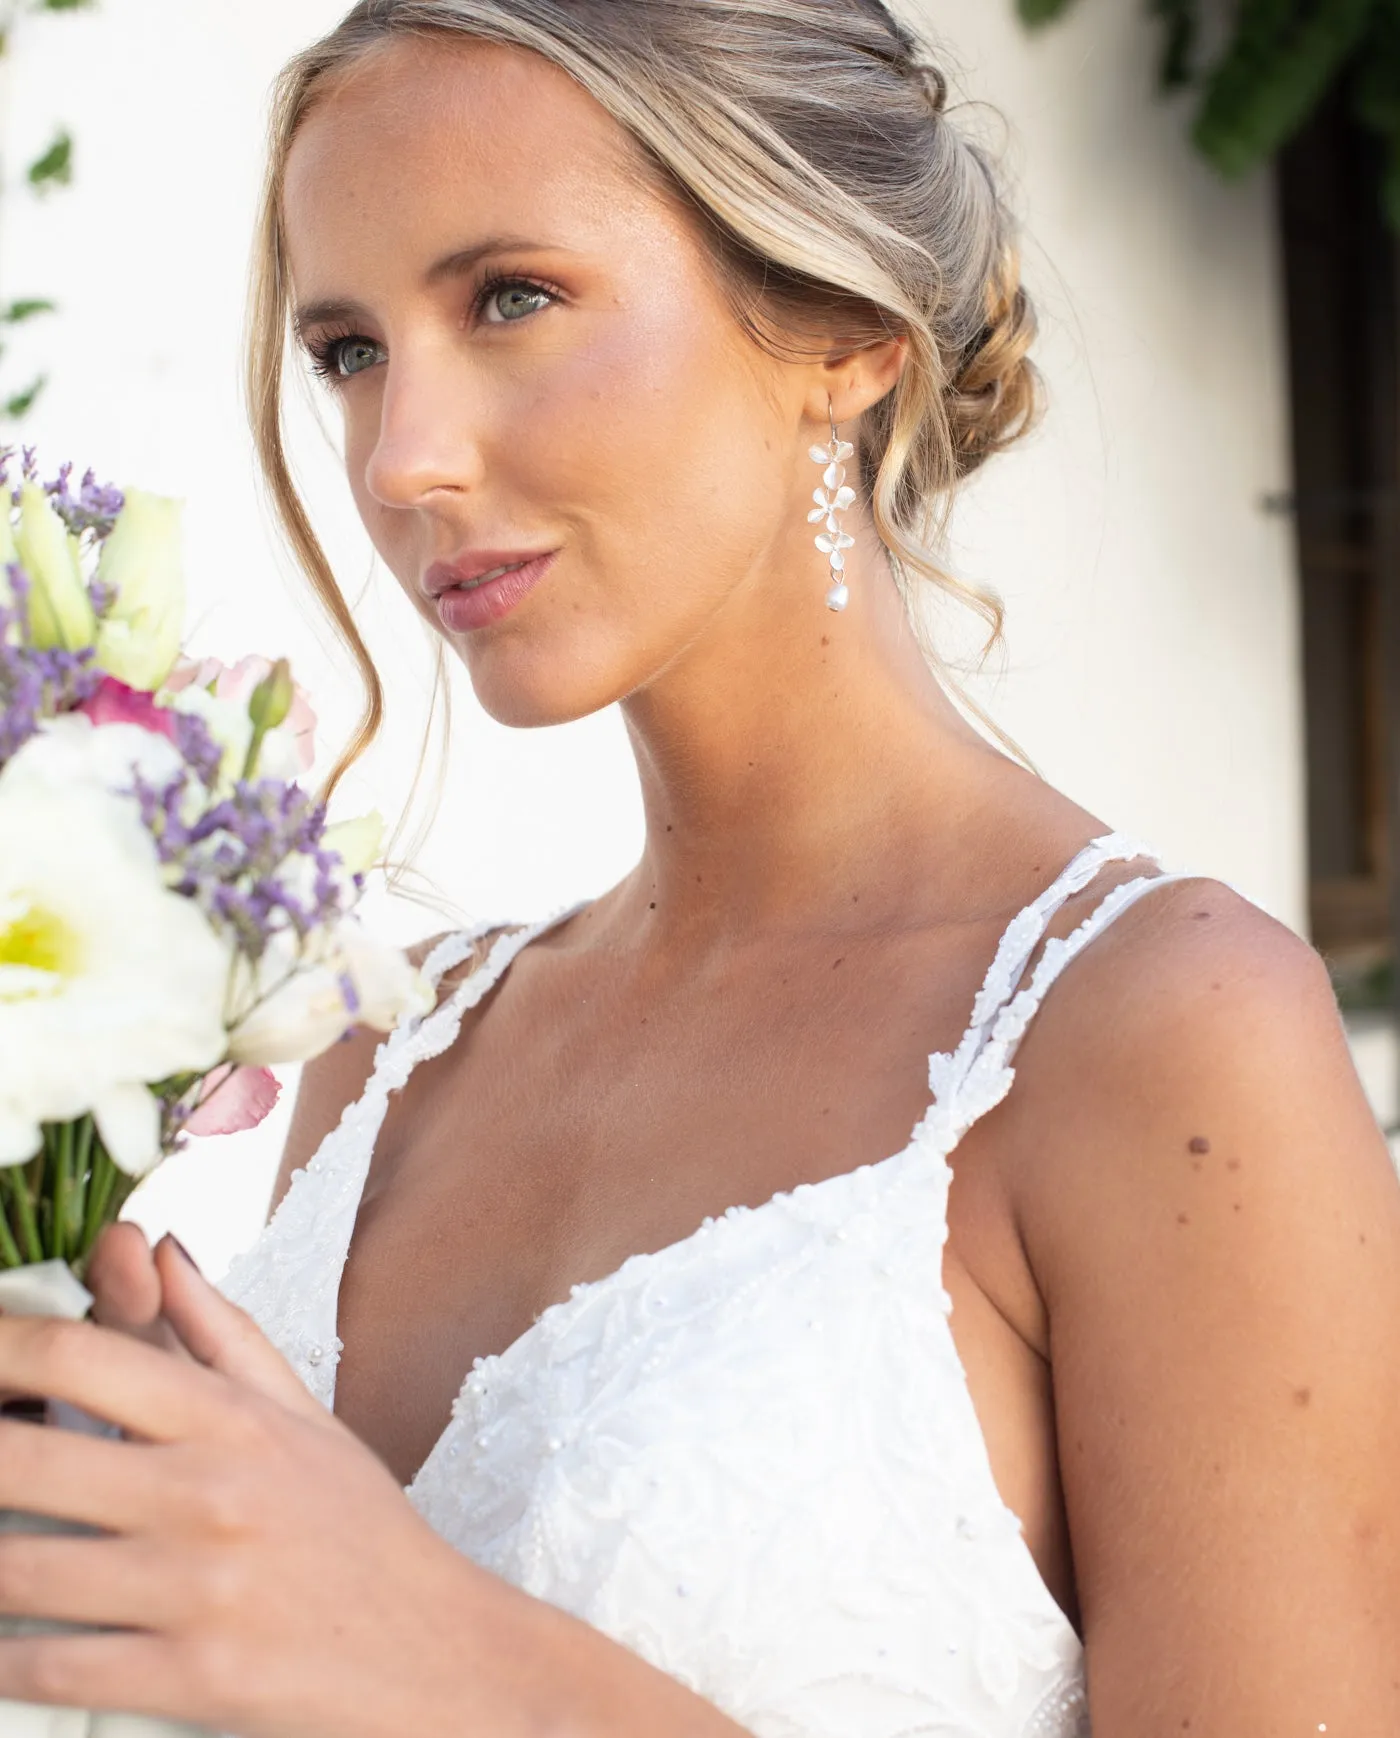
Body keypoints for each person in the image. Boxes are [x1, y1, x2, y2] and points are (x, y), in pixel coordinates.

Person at [0, 2, 1397, 1733]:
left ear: (842, 329)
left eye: (509, 297)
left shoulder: (1159, 1035)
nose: (400, 455)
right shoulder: (389, 1052)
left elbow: (394, 1642)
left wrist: (442, 1652)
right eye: (349, 348)